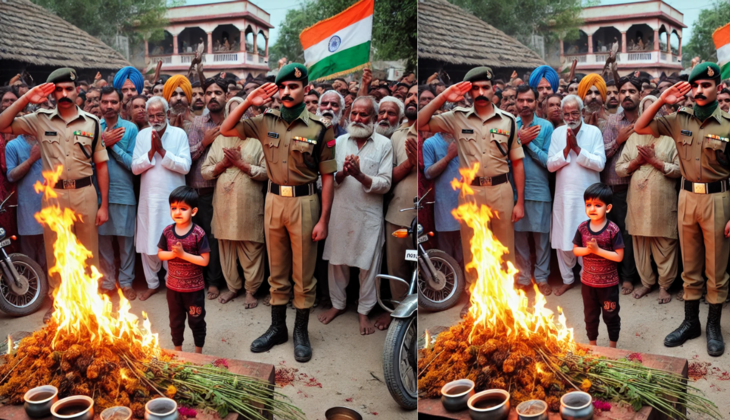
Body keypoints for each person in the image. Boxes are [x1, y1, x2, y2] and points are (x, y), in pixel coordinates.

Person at [220, 63, 336, 363]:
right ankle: (277, 328)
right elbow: (226, 128)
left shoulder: (320, 128)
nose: (287, 92)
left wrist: (323, 219)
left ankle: (300, 332)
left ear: (305, 89)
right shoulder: (264, 120)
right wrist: (248, 101)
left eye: (293, 87)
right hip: (273, 200)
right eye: (282, 87)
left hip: (304, 203)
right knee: (278, 270)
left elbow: (327, 178)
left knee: (303, 273)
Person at [634, 63, 730, 357]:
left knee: (716, 268)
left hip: (718, 200)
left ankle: (713, 326)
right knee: (691, 265)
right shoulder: (677, 119)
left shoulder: (727, 125)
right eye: (696, 86)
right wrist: (662, 100)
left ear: (719, 89)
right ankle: (690, 323)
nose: (700, 91)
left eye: (707, 86)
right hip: (687, 197)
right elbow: (640, 127)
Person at [0, 68, 110, 323]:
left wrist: (103, 205)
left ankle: (89, 303)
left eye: (68, 89)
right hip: (54, 196)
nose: (64, 94)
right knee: (55, 253)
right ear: (51, 93)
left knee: (88, 254)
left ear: (76, 91)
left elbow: (101, 166)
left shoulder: (91, 122)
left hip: (85, 193)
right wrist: (27, 98)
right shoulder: (40, 119)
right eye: (58, 90)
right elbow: (2, 123)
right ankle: (59, 304)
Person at [418, 66, 526, 317]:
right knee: (471, 249)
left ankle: (504, 298)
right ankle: (475, 298)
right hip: (470, 193)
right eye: (475, 88)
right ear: (469, 92)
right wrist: (444, 96)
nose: (480, 92)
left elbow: (518, 162)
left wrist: (519, 202)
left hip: (501, 189)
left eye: (485, 87)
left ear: (493, 90)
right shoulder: (457, 117)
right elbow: (421, 121)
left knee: (504, 249)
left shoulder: (508, 121)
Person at [320, 96, 393, 335]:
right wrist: (343, 173)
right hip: (341, 213)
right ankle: (338, 305)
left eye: (364, 115)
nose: (358, 119)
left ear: (374, 118)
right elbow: (326, 180)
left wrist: (361, 176)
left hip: (368, 216)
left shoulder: (384, 144)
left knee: (368, 265)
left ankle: (364, 312)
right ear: (349, 116)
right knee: (337, 262)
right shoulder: (338, 141)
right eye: (355, 114)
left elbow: (385, 183)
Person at [201, 97, 267, 309]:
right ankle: (232, 287)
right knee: (226, 245)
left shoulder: (259, 140)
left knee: (252, 246)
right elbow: (205, 172)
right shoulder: (220, 140)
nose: (237, 117)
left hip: (249, 202)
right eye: (233, 113)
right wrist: (223, 164)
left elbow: (267, 173)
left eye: (242, 113)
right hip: (224, 202)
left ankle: (251, 291)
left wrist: (241, 164)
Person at [615, 95, 680, 304]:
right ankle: (646, 282)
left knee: (666, 242)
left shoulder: (672, 137)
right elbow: (619, 169)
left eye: (655, 110)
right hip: (638, 200)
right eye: (647, 110)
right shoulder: (634, 137)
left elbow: (681, 170)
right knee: (640, 241)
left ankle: (664, 286)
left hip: (663, 199)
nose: (651, 114)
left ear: (661, 113)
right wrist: (636, 162)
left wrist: (656, 162)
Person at [132, 96, 192, 301]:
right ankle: (152, 284)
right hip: (149, 200)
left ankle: (172, 282)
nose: (155, 119)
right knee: (148, 242)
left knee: (174, 242)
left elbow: (185, 166)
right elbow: (135, 167)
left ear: (167, 114)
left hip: (173, 200)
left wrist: (162, 152)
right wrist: (151, 152)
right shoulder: (142, 136)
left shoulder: (179, 134)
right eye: (151, 116)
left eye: (159, 115)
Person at [547, 95, 606, 296]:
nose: (570, 117)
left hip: (588, 197)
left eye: (574, 113)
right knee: (563, 238)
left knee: (589, 238)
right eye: (567, 114)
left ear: (582, 112)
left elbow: (600, 163)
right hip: (564, 197)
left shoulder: (594, 132)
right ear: (562, 115)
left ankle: (586, 278)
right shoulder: (557, 134)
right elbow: (550, 165)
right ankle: (567, 280)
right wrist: (566, 149)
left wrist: (577, 149)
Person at [186, 77, 226, 302]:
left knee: (215, 239)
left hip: (222, 191)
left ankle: (214, 282)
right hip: (198, 191)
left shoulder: (233, 122)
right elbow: (188, 156)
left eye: (217, 92)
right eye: (208, 92)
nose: (212, 96)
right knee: (196, 239)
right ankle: (197, 280)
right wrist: (204, 143)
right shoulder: (199, 124)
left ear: (225, 96)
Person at [601, 77, 642, 296]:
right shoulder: (613, 122)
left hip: (642, 187)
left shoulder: (649, 120)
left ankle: (634, 277)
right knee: (618, 234)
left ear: (640, 94)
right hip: (616, 189)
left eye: (632, 91)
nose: (626, 95)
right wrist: (618, 140)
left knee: (636, 234)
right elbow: (603, 155)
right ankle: (621, 277)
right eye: (623, 91)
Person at [157, 186, 210, 354]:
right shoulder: (167, 232)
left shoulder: (198, 233)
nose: (177, 212)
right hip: (173, 288)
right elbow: (160, 255)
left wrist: (182, 254)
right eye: (174, 208)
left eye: (183, 208)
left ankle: (198, 353)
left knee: (196, 320)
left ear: (193, 211)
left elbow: (204, 260)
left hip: (194, 290)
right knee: (175, 321)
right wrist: (174, 255)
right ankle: (178, 351)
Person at [97, 86, 139, 300]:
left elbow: (134, 165)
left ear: (121, 104)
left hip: (124, 194)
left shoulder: (130, 129)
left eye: (114, 102)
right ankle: (106, 282)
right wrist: (103, 141)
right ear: (99, 104)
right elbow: (85, 159)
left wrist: (111, 146)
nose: (109, 106)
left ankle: (126, 282)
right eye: (105, 102)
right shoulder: (93, 127)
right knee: (103, 243)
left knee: (126, 243)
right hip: (98, 196)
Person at [572, 183, 624, 348]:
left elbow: (619, 256)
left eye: (597, 205)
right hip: (588, 284)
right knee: (590, 315)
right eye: (588, 204)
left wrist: (597, 250)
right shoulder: (582, 228)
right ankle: (592, 345)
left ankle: (612, 347)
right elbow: (575, 251)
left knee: (611, 315)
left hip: (608, 286)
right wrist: (589, 251)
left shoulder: (612, 230)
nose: (592, 208)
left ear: (608, 208)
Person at [513, 85, 554, 295]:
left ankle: (542, 278)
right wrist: (518, 139)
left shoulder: (546, 127)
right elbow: (501, 156)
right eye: (521, 100)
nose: (525, 104)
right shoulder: (509, 125)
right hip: (515, 193)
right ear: (515, 102)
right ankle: (522, 277)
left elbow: (549, 162)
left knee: (541, 239)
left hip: (539, 191)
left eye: (529, 100)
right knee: (519, 239)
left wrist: (526, 144)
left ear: (536, 102)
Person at [5, 133, 45, 274]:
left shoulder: (49, 140)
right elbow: (11, 176)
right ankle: (34, 291)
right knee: (30, 256)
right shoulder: (13, 145)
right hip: (28, 208)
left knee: (53, 252)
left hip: (53, 207)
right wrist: (32, 159)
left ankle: (55, 290)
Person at [423, 127, 462, 268]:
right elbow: (428, 173)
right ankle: (451, 288)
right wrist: (448, 157)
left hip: (470, 206)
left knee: (469, 252)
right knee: (447, 257)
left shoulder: (467, 138)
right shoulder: (430, 143)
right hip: (445, 207)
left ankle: (470, 287)